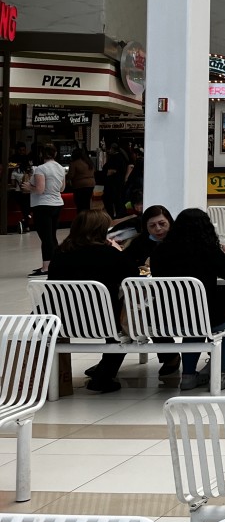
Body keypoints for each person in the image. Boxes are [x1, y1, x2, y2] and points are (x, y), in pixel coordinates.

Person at [150, 208, 225, 390]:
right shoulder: (207, 250)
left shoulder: (159, 251)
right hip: (199, 317)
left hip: (165, 321)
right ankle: (219, 375)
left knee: (194, 321)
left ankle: (188, 376)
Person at [47, 210, 140, 393]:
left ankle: (100, 373)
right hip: (104, 322)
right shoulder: (109, 254)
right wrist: (118, 251)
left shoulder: (60, 253)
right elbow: (134, 278)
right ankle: (104, 376)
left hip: (63, 321)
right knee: (127, 326)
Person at [24, 144, 66, 276]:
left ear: (42, 154)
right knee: (52, 236)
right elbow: (62, 188)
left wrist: (28, 187)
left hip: (43, 205)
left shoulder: (40, 169)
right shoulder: (60, 168)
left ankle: (46, 267)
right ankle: (54, 264)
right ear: (55, 154)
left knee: (45, 237)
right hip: (57, 203)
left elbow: (40, 190)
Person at [122, 204, 174, 269]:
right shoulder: (139, 243)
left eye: (162, 224)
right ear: (146, 227)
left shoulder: (179, 240)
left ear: (169, 222)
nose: (158, 228)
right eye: (152, 225)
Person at [102, 141, 130, 218]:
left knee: (111, 201)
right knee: (118, 201)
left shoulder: (115, 159)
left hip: (112, 184)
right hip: (118, 184)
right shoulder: (122, 157)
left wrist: (106, 173)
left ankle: (112, 216)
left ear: (112, 149)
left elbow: (110, 171)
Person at [67, 148, 96, 212]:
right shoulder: (89, 161)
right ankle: (86, 219)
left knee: (80, 205)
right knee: (87, 204)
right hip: (91, 184)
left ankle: (81, 219)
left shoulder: (74, 163)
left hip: (80, 186)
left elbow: (70, 175)